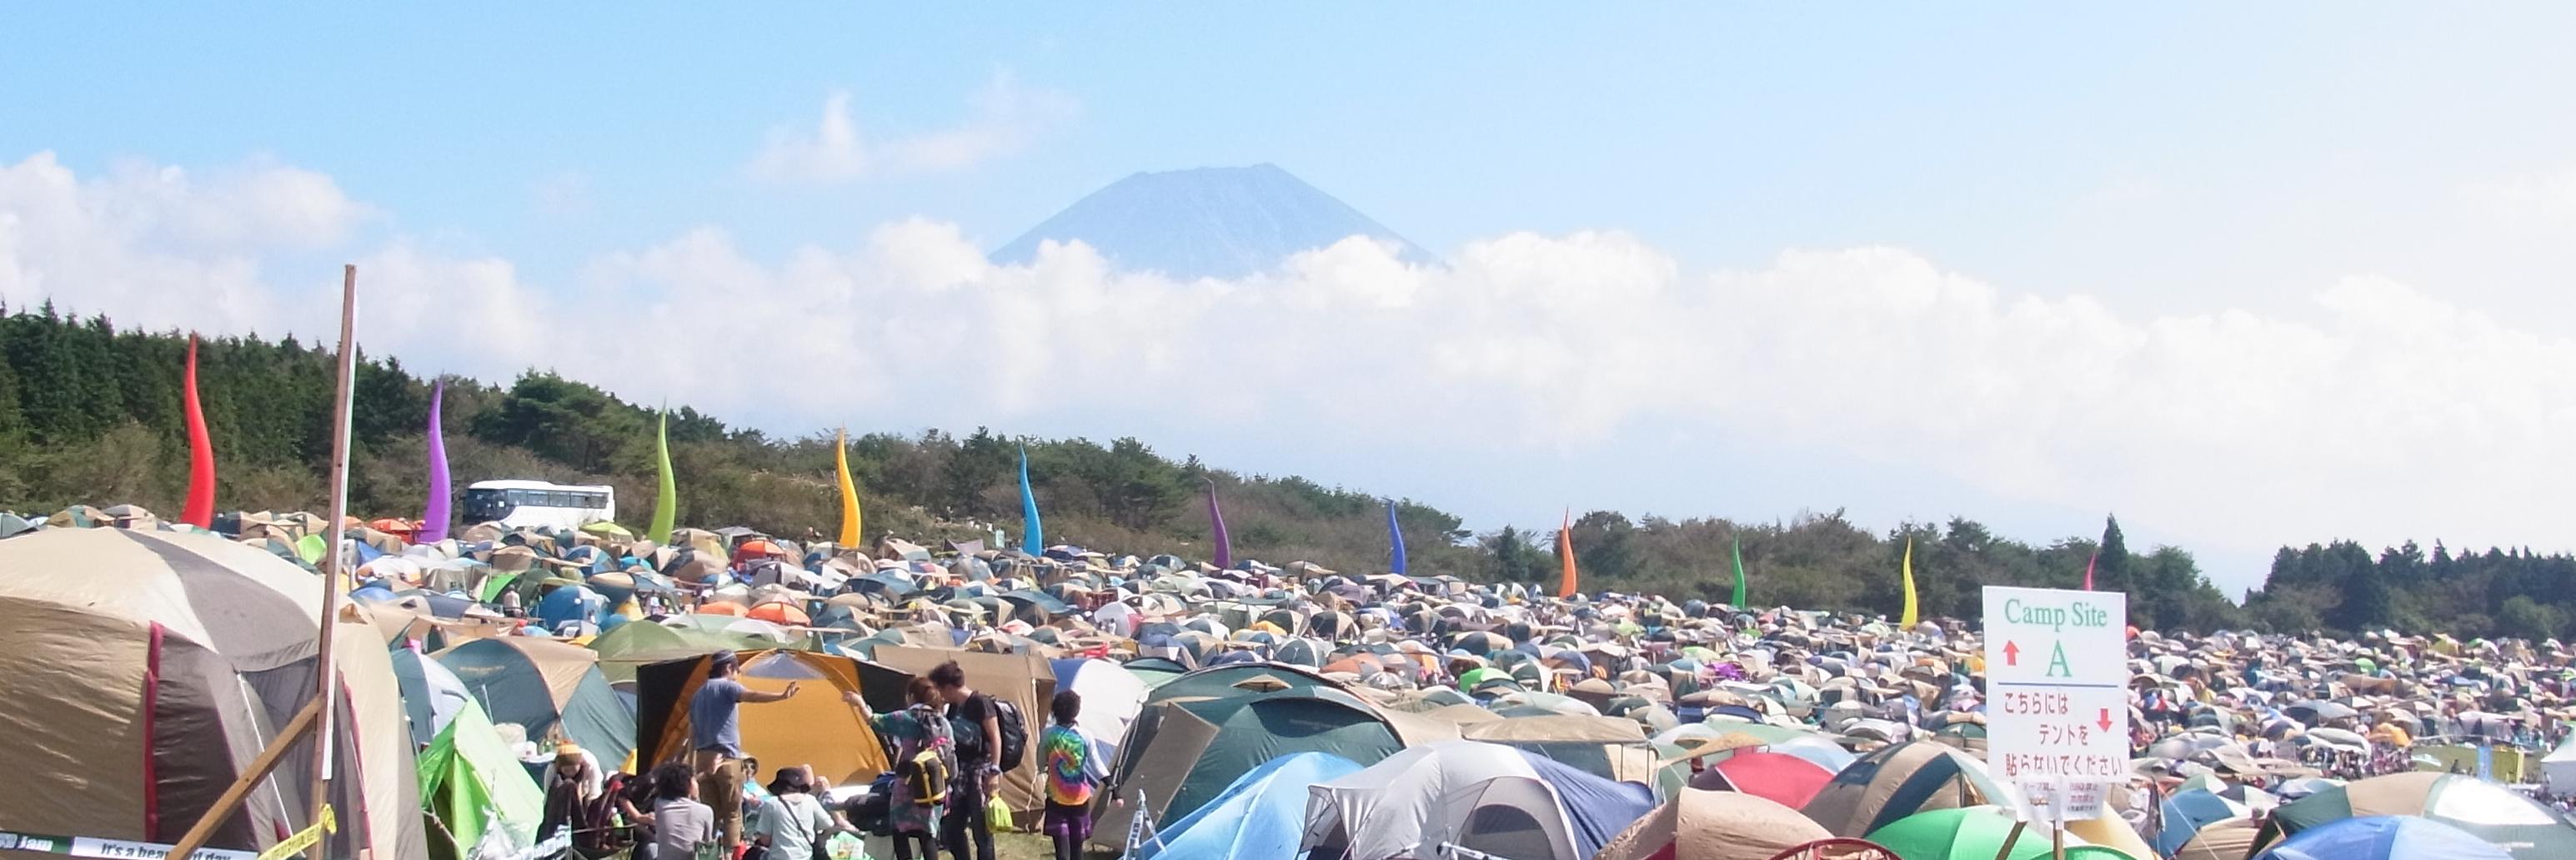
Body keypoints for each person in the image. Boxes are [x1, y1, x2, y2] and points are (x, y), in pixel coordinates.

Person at [693, 650, 804, 852]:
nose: (738, 674)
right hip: (727, 758)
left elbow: (692, 731)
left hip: (702, 759)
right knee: (733, 813)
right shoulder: (727, 686)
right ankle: (731, 854)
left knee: (711, 813)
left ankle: (709, 853)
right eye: (737, 670)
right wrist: (781, 696)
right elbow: (750, 695)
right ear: (729, 668)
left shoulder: (698, 694)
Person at [848, 676, 954, 860]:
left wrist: (860, 703)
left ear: (911, 696)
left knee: (899, 830)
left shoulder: (906, 718)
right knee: (927, 835)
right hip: (935, 785)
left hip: (908, 783)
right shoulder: (942, 722)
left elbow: (874, 721)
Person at [931, 661, 1000, 860]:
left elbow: (995, 737)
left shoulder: (980, 702)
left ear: (948, 687)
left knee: (982, 831)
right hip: (959, 773)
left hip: (980, 771)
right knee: (953, 828)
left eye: (940, 689)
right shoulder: (953, 707)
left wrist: (994, 772)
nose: (940, 695)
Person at [1040, 691, 1098, 860]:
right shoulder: (1085, 735)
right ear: (1076, 711)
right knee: (1077, 849)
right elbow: (1097, 766)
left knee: (1062, 852)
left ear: (1054, 710)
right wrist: (1113, 788)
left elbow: (1040, 763)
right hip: (1080, 799)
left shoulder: (1047, 734)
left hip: (1056, 798)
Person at [753, 765, 836, 860]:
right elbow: (828, 824)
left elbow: (765, 840)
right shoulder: (810, 800)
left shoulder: (772, 803)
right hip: (806, 857)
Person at [651, 761, 717, 860]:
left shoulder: (660, 804)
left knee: (652, 848)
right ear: (689, 785)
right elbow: (706, 844)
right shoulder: (706, 811)